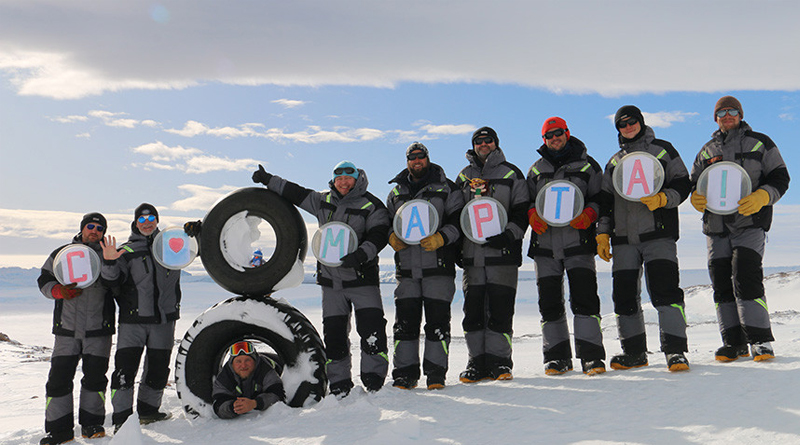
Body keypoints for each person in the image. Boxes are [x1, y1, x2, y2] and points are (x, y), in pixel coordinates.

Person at [252, 160, 390, 397]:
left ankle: (374, 379)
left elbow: (380, 235)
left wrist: (360, 255)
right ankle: (339, 383)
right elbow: (295, 192)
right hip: (331, 283)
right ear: (334, 180)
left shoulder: (371, 204)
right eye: (339, 178)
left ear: (357, 179)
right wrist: (268, 180)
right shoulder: (323, 200)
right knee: (334, 335)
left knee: (371, 331)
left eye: (348, 178)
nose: (344, 182)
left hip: (362, 280)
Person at [689, 96, 790, 362]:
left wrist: (762, 197)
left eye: (732, 111)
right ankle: (733, 343)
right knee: (722, 284)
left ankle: (760, 341)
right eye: (721, 112)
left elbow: (781, 177)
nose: (727, 115)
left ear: (740, 114)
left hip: (750, 223)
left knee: (746, 276)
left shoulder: (761, 142)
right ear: (715, 118)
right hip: (715, 226)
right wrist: (695, 197)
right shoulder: (706, 150)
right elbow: (694, 182)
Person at [596, 105, 692, 372]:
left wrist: (665, 199)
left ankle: (676, 351)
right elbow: (605, 201)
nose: (628, 127)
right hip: (624, 238)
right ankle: (634, 352)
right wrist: (602, 232)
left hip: (658, 234)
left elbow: (683, 183)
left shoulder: (663, 150)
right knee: (624, 296)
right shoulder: (614, 161)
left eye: (632, 122)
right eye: (622, 124)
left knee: (665, 293)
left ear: (641, 122)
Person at [526, 117, 606, 376]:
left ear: (567, 133)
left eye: (558, 133)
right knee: (549, 303)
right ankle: (556, 358)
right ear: (544, 139)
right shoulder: (536, 169)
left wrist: (591, 215)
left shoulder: (588, 165)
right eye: (549, 135)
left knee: (584, 300)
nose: (554, 138)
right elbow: (525, 201)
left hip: (578, 243)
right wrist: (531, 215)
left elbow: (601, 198)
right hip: (545, 246)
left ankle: (592, 356)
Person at [386, 142, 465, 390]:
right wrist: (391, 236)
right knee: (405, 325)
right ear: (407, 161)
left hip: (438, 268)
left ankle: (436, 375)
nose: (416, 161)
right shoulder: (396, 192)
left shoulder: (447, 187)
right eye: (412, 158)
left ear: (427, 158)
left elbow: (459, 220)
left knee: (437, 324)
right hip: (407, 271)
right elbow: (384, 222)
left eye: (421, 157)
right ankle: (404, 375)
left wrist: (443, 237)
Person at [455, 126, 529, 382]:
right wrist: (456, 248)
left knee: (500, 309)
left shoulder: (512, 173)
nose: (483, 145)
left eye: (488, 141)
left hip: (503, 255)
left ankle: (500, 363)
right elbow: (455, 215)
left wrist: (508, 235)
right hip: (472, 257)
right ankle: (476, 362)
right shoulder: (463, 176)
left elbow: (522, 212)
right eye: (478, 141)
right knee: (473, 311)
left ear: (496, 143)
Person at [37, 213, 116, 444]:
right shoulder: (62, 253)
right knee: (59, 381)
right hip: (67, 330)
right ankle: (59, 432)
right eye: (90, 226)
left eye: (100, 228)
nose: (95, 231)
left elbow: (118, 283)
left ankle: (92, 426)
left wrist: (111, 263)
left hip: (98, 331)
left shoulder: (108, 256)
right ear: (82, 228)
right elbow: (43, 280)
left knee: (95, 381)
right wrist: (58, 291)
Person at [100, 204, 180, 430]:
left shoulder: (170, 248)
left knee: (157, 370)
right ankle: (122, 421)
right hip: (132, 322)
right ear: (136, 223)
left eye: (151, 218)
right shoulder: (126, 251)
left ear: (157, 221)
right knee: (125, 371)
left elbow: (197, 249)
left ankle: (148, 412)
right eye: (142, 219)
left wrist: (197, 231)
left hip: (164, 320)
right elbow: (111, 281)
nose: (147, 222)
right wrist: (108, 261)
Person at [212, 341, 285, 419]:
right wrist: (234, 407)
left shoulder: (265, 369)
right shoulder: (225, 375)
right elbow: (218, 405)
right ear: (232, 364)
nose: (243, 365)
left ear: (255, 361)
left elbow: (277, 394)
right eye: (238, 361)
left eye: (247, 360)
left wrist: (255, 403)